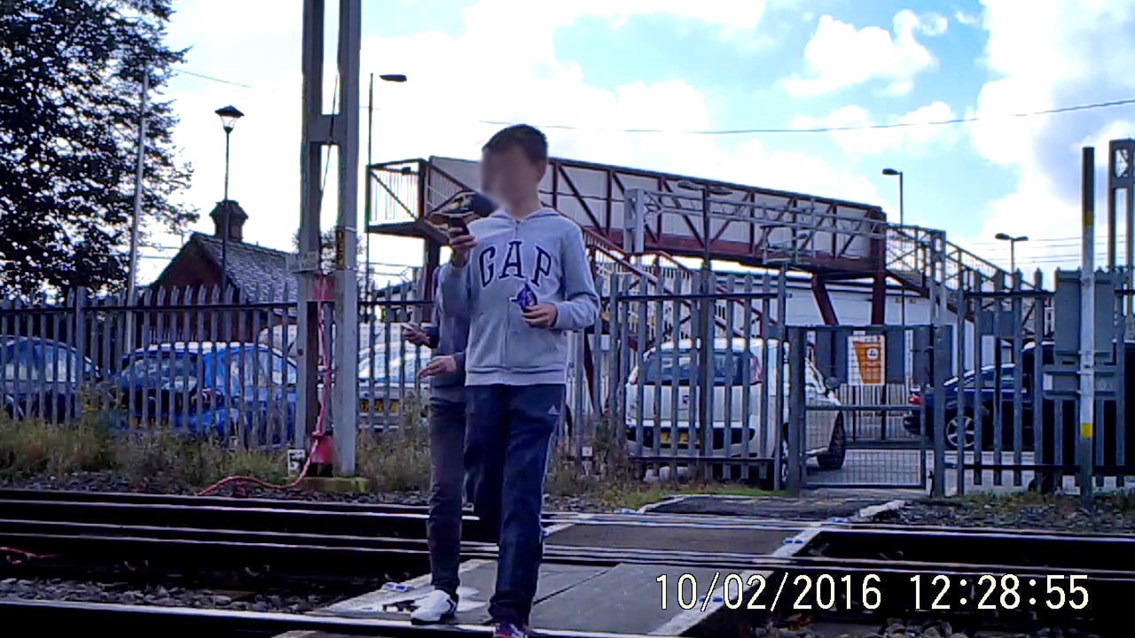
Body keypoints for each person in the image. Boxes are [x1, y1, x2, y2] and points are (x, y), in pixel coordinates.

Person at [440, 124, 599, 638]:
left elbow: (589, 305)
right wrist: (456, 264)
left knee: (523, 489)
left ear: (536, 170)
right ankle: (525, 540)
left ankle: (509, 611)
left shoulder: (563, 233)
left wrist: (556, 312)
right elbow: (457, 309)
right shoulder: (479, 234)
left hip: (540, 378)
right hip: (485, 374)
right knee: (484, 487)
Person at [405, 262, 470, 624]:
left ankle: (515, 585)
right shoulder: (443, 273)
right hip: (446, 396)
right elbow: (450, 328)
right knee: (444, 491)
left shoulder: (497, 268)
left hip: (489, 392)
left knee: (492, 494)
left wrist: (459, 361)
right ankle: (443, 588)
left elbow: (502, 337)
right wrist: (429, 336)